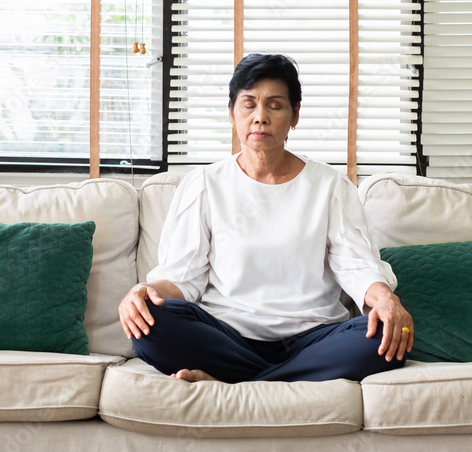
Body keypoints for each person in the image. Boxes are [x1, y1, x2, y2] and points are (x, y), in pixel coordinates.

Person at [118, 53, 413, 383]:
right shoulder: (204, 184)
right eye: (249, 104)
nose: (260, 117)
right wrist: (143, 291)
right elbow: (183, 275)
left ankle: (233, 381)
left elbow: (357, 267)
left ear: (294, 115)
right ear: (232, 113)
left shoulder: (330, 186)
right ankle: (285, 381)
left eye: (275, 105)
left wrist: (387, 300)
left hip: (313, 338)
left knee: (385, 335)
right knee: (151, 323)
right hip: (227, 335)